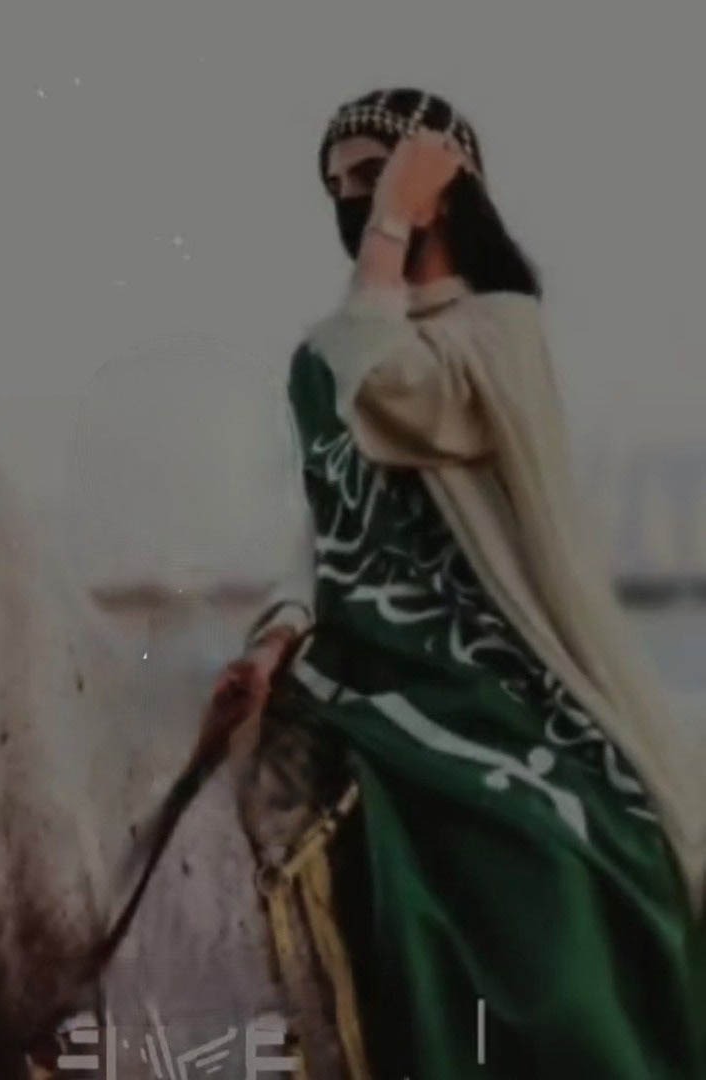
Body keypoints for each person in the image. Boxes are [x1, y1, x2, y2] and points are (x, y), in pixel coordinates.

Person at [226, 87, 706, 1078]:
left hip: (481, 669)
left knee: (557, 849)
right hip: (349, 667)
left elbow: (392, 387)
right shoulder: (329, 349)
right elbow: (328, 518)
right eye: (338, 187)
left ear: (442, 185)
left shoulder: (496, 333)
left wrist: (392, 224)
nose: (352, 200)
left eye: (373, 175)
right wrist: (274, 630)